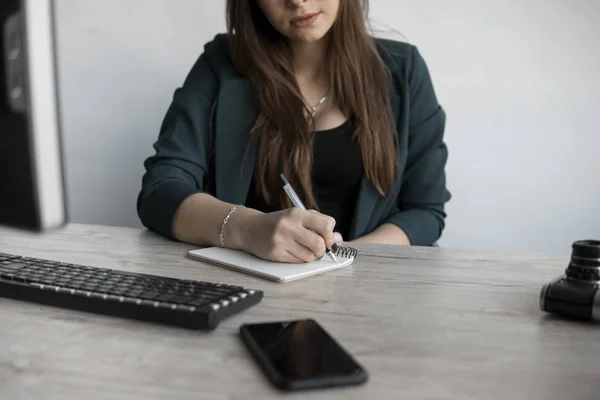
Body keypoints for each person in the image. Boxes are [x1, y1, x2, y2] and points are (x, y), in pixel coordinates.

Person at [137, 0, 451, 263]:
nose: (297, 0)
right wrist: (248, 229)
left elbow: (425, 211)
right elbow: (160, 190)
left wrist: (347, 258)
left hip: (367, 290)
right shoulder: (220, 65)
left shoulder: (404, 71)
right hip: (245, 287)